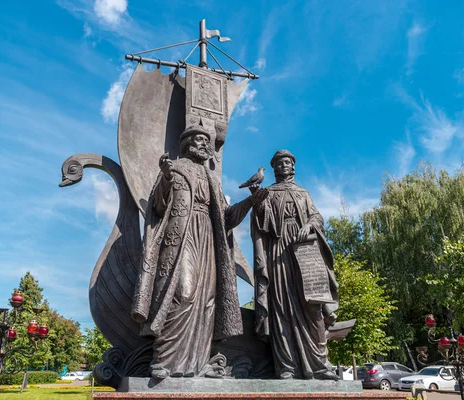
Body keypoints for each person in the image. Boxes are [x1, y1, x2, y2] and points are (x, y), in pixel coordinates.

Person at [131, 124, 268, 380]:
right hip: (182, 238)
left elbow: (226, 219)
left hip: (208, 240)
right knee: (182, 293)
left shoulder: (211, 180)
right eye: (200, 140)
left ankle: (196, 364)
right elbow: (158, 207)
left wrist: (250, 201)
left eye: (208, 141)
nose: (206, 145)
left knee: (207, 301)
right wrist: (166, 178)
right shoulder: (175, 169)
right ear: (187, 144)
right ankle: (163, 360)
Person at [250, 150, 339, 380]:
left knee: (312, 308)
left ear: (293, 167)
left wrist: (309, 225)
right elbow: (262, 222)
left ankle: (320, 365)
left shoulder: (303, 193)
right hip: (279, 251)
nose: (283, 165)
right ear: (273, 168)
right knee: (281, 306)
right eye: (279, 163)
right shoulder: (268, 192)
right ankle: (286, 366)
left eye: (287, 162)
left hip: (304, 252)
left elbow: (317, 217)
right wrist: (258, 202)